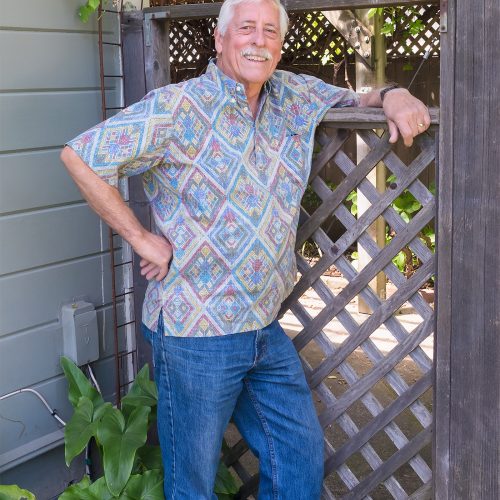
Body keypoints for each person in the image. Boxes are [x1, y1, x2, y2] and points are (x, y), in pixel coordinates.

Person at [60, 0, 430, 497]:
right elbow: (81, 157)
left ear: (280, 44)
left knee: (298, 460)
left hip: (263, 325)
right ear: (220, 39)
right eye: (246, 28)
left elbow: (362, 96)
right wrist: (142, 238)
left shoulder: (294, 94)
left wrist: (396, 94)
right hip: (197, 332)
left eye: (270, 31)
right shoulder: (176, 107)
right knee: (192, 485)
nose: (258, 40)